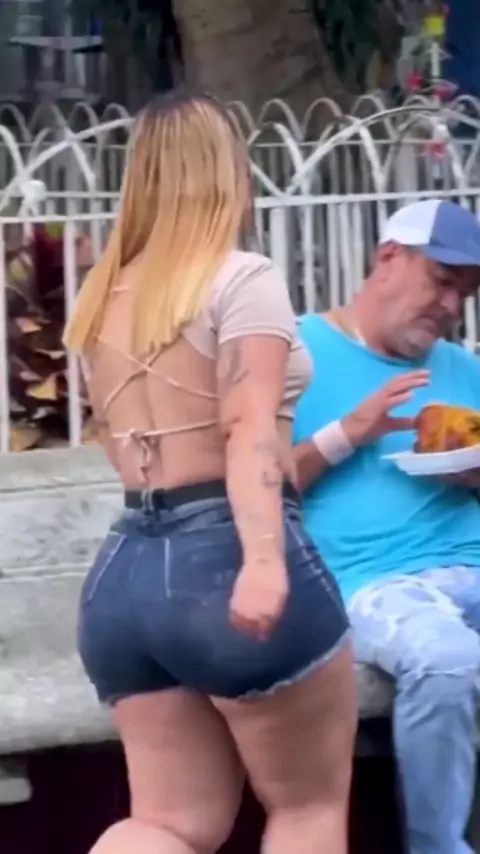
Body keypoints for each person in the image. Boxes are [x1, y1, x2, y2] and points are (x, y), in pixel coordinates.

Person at [63, 90, 356, 854]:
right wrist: (262, 561)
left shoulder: (101, 296)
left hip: (123, 577)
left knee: (169, 824)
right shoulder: (241, 277)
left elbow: (117, 439)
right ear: (226, 170)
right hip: (224, 555)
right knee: (308, 807)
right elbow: (247, 426)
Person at [292, 198, 480, 854]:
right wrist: (347, 433)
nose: (451, 305)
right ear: (388, 259)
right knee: (448, 661)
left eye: (464, 293)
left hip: (470, 566)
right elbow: (255, 487)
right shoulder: (296, 355)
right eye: (441, 280)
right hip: (372, 579)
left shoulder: (464, 370)